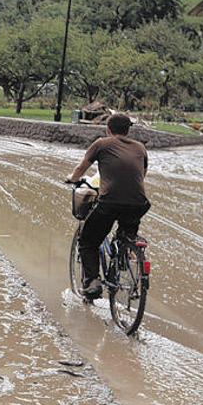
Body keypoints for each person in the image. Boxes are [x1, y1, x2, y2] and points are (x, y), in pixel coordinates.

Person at [67, 113, 150, 300]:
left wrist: (72, 179)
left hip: (110, 202)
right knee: (126, 234)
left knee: (88, 241)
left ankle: (92, 282)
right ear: (128, 130)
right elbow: (141, 175)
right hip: (139, 203)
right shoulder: (140, 148)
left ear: (108, 129)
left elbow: (81, 169)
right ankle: (124, 258)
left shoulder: (101, 144)